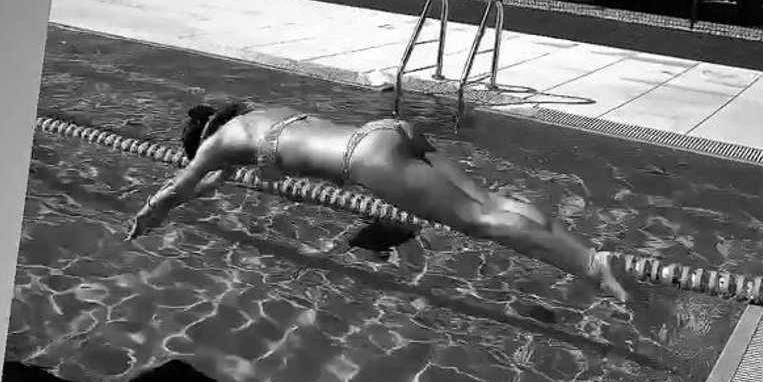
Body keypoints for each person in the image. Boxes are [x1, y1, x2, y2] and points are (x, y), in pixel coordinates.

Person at [127, 99, 629, 304]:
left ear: (204, 140)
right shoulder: (261, 116)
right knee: (492, 202)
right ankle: (590, 255)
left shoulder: (217, 145)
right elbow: (216, 179)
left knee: (480, 221)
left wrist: (150, 213)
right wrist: (200, 186)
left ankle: (592, 267)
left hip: (366, 160)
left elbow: (182, 185)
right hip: (386, 130)